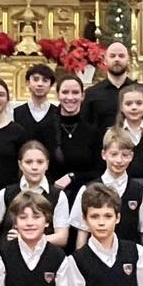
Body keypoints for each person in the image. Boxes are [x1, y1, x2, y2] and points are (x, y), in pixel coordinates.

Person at [68, 127, 143, 249]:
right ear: (104, 154)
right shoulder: (86, 190)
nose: (119, 160)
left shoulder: (142, 192)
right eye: (114, 154)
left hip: (129, 259)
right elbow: (82, 233)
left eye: (125, 155)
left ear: (131, 156)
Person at [0, 140, 70, 245]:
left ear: (47, 164)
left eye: (40, 162)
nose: (34, 167)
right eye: (28, 162)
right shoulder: (6, 194)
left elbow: (62, 238)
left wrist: (26, 239)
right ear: (20, 165)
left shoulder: (58, 196)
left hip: (45, 257)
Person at [50, 73, 100, 204]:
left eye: (75, 92)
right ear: (58, 95)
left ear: (82, 96)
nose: (70, 97)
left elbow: (99, 170)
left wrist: (72, 177)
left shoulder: (92, 132)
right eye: (65, 92)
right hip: (52, 197)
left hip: (85, 198)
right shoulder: (44, 130)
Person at [84, 41, 143, 131]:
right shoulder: (91, 94)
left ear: (128, 59)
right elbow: (86, 128)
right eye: (112, 56)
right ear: (105, 60)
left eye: (121, 56)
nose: (117, 59)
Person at [13, 63, 59, 154]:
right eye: (36, 79)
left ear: (51, 85)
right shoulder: (16, 112)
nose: (40, 84)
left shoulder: (58, 113)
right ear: (27, 83)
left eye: (45, 80)